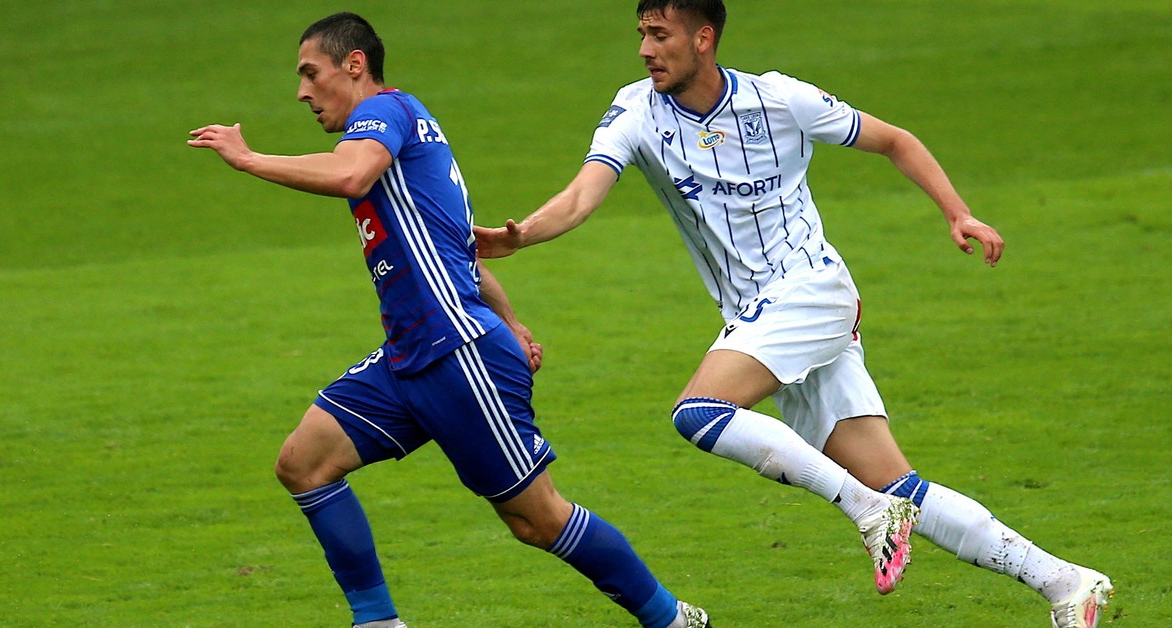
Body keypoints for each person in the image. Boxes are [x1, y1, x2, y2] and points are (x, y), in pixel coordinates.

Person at [474, 1, 1114, 626]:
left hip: (812, 291)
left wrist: (957, 211)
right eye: (641, 33)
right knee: (903, 489)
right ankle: (1066, 582)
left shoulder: (779, 99)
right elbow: (585, 192)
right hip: (762, 314)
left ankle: (865, 511)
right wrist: (522, 235)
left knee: (699, 414)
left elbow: (894, 140)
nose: (645, 49)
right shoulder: (637, 111)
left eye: (660, 34)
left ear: (703, 39)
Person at [187, 12, 712, 628]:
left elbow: (350, 172)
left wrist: (249, 160)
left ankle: (671, 619)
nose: (302, 91)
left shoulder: (385, 115)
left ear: (353, 65)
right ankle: (378, 622)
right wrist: (513, 323)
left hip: (458, 354)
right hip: (412, 354)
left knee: (537, 520)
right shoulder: (403, 139)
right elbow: (458, 249)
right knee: (303, 464)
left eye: (310, 73)